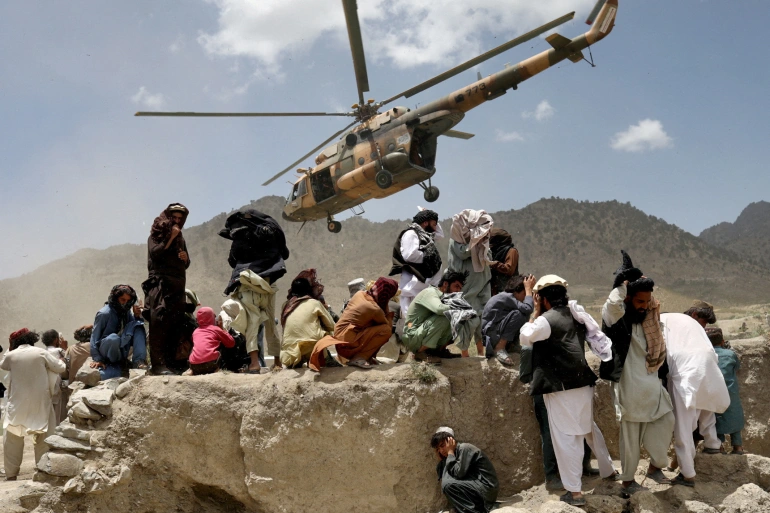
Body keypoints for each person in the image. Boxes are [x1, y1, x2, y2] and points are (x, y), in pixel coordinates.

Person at [520, 275, 615, 507]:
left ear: (542, 299)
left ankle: (575, 493)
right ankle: (609, 470)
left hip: (561, 387)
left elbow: (526, 336)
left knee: (565, 438)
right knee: (587, 429)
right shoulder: (575, 315)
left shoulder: (545, 321)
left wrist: (534, 312)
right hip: (582, 383)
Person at [599, 251, 674, 494]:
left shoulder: (649, 319)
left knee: (666, 420)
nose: (644, 306)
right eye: (639, 301)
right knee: (630, 436)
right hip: (628, 385)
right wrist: (623, 283)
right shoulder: (615, 318)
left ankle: (655, 466)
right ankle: (628, 482)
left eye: (647, 301)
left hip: (652, 384)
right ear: (629, 298)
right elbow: (612, 303)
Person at [661, 313, 730, 487]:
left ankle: (687, 474)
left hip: (684, 366)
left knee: (683, 426)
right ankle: (713, 443)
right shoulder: (684, 321)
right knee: (706, 403)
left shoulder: (661, 321)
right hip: (706, 359)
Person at [219, 209, 289, 372]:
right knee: (271, 323)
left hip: (248, 287)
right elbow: (283, 253)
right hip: (267, 286)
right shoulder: (268, 235)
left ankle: (255, 363)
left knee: (252, 325)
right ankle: (277, 362)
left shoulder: (239, 240)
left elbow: (232, 261)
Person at [1, 329, 66, 481]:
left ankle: (11, 474)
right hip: (40, 402)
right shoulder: (41, 353)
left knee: (12, 439)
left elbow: (3, 365)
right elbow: (60, 368)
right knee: (43, 437)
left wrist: (10, 348)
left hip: (17, 404)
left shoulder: (11, 356)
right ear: (33, 339)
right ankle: (43, 469)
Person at [309, 277, 399, 371]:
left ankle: (366, 357)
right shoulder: (374, 308)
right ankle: (360, 357)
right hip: (346, 346)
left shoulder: (360, 294)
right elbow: (387, 325)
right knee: (386, 331)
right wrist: (385, 304)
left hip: (340, 344)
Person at [142, 203, 190, 376]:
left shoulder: (181, 238)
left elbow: (187, 262)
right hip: (160, 285)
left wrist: (185, 258)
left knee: (175, 324)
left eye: (180, 218)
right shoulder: (155, 235)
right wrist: (170, 237)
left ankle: (172, 363)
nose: (177, 221)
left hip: (178, 286)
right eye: (174, 218)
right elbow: (155, 254)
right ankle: (158, 365)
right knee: (159, 323)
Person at [402, 271, 479, 364]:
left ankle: (439, 351)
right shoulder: (430, 292)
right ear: (446, 284)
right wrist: (460, 308)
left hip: (420, 333)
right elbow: (439, 309)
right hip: (412, 335)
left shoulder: (445, 298)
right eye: (456, 286)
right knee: (447, 315)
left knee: (460, 318)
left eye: (460, 288)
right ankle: (420, 353)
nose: (458, 291)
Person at [447, 209, 493, 356]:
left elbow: (488, 256)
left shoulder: (483, 240)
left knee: (482, 318)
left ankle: (481, 351)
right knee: (468, 319)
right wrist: (474, 241)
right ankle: (465, 353)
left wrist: (480, 241)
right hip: (466, 287)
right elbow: (462, 252)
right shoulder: (455, 241)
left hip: (482, 284)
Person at [431, 427, 499, 513]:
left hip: (486, 489)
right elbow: (445, 474)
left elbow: (458, 473)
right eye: (438, 448)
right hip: (476, 487)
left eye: (442, 445)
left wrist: (450, 452)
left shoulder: (464, 448)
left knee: (448, 485)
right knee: (447, 481)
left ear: (451, 441)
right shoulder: (452, 454)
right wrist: (443, 458)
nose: (441, 450)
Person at [390, 209, 444, 317]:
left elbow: (440, 235)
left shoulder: (427, 235)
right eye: (433, 224)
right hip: (413, 284)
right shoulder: (411, 234)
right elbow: (410, 255)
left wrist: (428, 215)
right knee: (411, 317)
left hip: (424, 285)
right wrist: (428, 255)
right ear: (425, 223)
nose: (435, 227)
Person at [280, 270, 336, 369]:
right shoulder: (314, 303)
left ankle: (299, 359)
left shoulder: (286, 305)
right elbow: (331, 325)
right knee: (328, 332)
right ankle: (326, 359)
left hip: (289, 352)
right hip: (312, 346)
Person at [91, 284, 148, 379]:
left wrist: (137, 316)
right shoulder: (104, 313)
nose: (125, 303)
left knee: (138, 326)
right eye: (123, 300)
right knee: (113, 338)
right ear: (115, 298)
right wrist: (97, 359)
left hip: (121, 347)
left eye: (128, 301)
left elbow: (131, 329)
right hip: (107, 349)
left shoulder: (125, 312)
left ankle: (138, 362)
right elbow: (94, 337)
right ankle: (115, 365)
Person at [481, 274, 535, 366]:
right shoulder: (507, 297)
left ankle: (512, 346)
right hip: (492, 335)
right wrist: (529, 290)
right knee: (518, 314)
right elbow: (528, 308)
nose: (526, 297)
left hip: (498, 331)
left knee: (523, 313)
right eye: (524, 294)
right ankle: (499, 348)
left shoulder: (513, 299)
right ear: (516, 291)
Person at [706, 327, 744, 455]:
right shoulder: (730, 354)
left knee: (716, 418)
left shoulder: (707, 354)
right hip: (731, 391)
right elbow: (737, 366)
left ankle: (719, 446)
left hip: (714, 392)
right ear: (722, 342)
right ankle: (738, 447)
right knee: (735, 416)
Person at [188, 307, 236, 375]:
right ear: (211, 318)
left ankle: (191, 370)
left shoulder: (195, 331)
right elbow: (231, 343)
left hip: (195, 366)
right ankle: (217, 370)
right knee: (221, 344)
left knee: (195, 347)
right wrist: (223, 330)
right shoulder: (215, 329)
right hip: (211, 364)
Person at [41, 330, 67, 425]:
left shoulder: (43, 351)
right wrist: (65, 347)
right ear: (56, 340)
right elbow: (68, 361)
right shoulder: (59, 351)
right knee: (57, 410)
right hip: (56, 382)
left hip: (45, 383)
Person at [488, 228, 519, 296]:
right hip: (495, 291)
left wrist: (494, 264)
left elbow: (509, 269)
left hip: (508, 291)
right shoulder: (493, 252)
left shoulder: (511, 251)